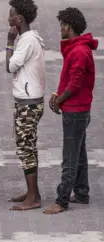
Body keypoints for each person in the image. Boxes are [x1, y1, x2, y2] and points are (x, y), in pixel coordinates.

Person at [44, 7, 98, 215]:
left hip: (76, 112)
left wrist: (59, 101)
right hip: (78, 110)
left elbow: (75, 84)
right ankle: (82, 192)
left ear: (68, 27)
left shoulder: (79, 51)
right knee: (79, 152)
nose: (60, 30)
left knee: (70, 157)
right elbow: (69, 80)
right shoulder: (77, 48)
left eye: (61, 26)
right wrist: (57, 94)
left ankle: (62, 199)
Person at [5, 0, 45, 211]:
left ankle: (33, 198)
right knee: (28, 147)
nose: (8, 19)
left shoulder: (26, 40)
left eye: (10, 15)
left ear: (19, 19)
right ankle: (32, 192)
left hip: (28, 104)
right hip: (28, 101)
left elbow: (10, 66)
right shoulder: (28, 38)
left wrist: (9, 41)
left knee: (25, 148)